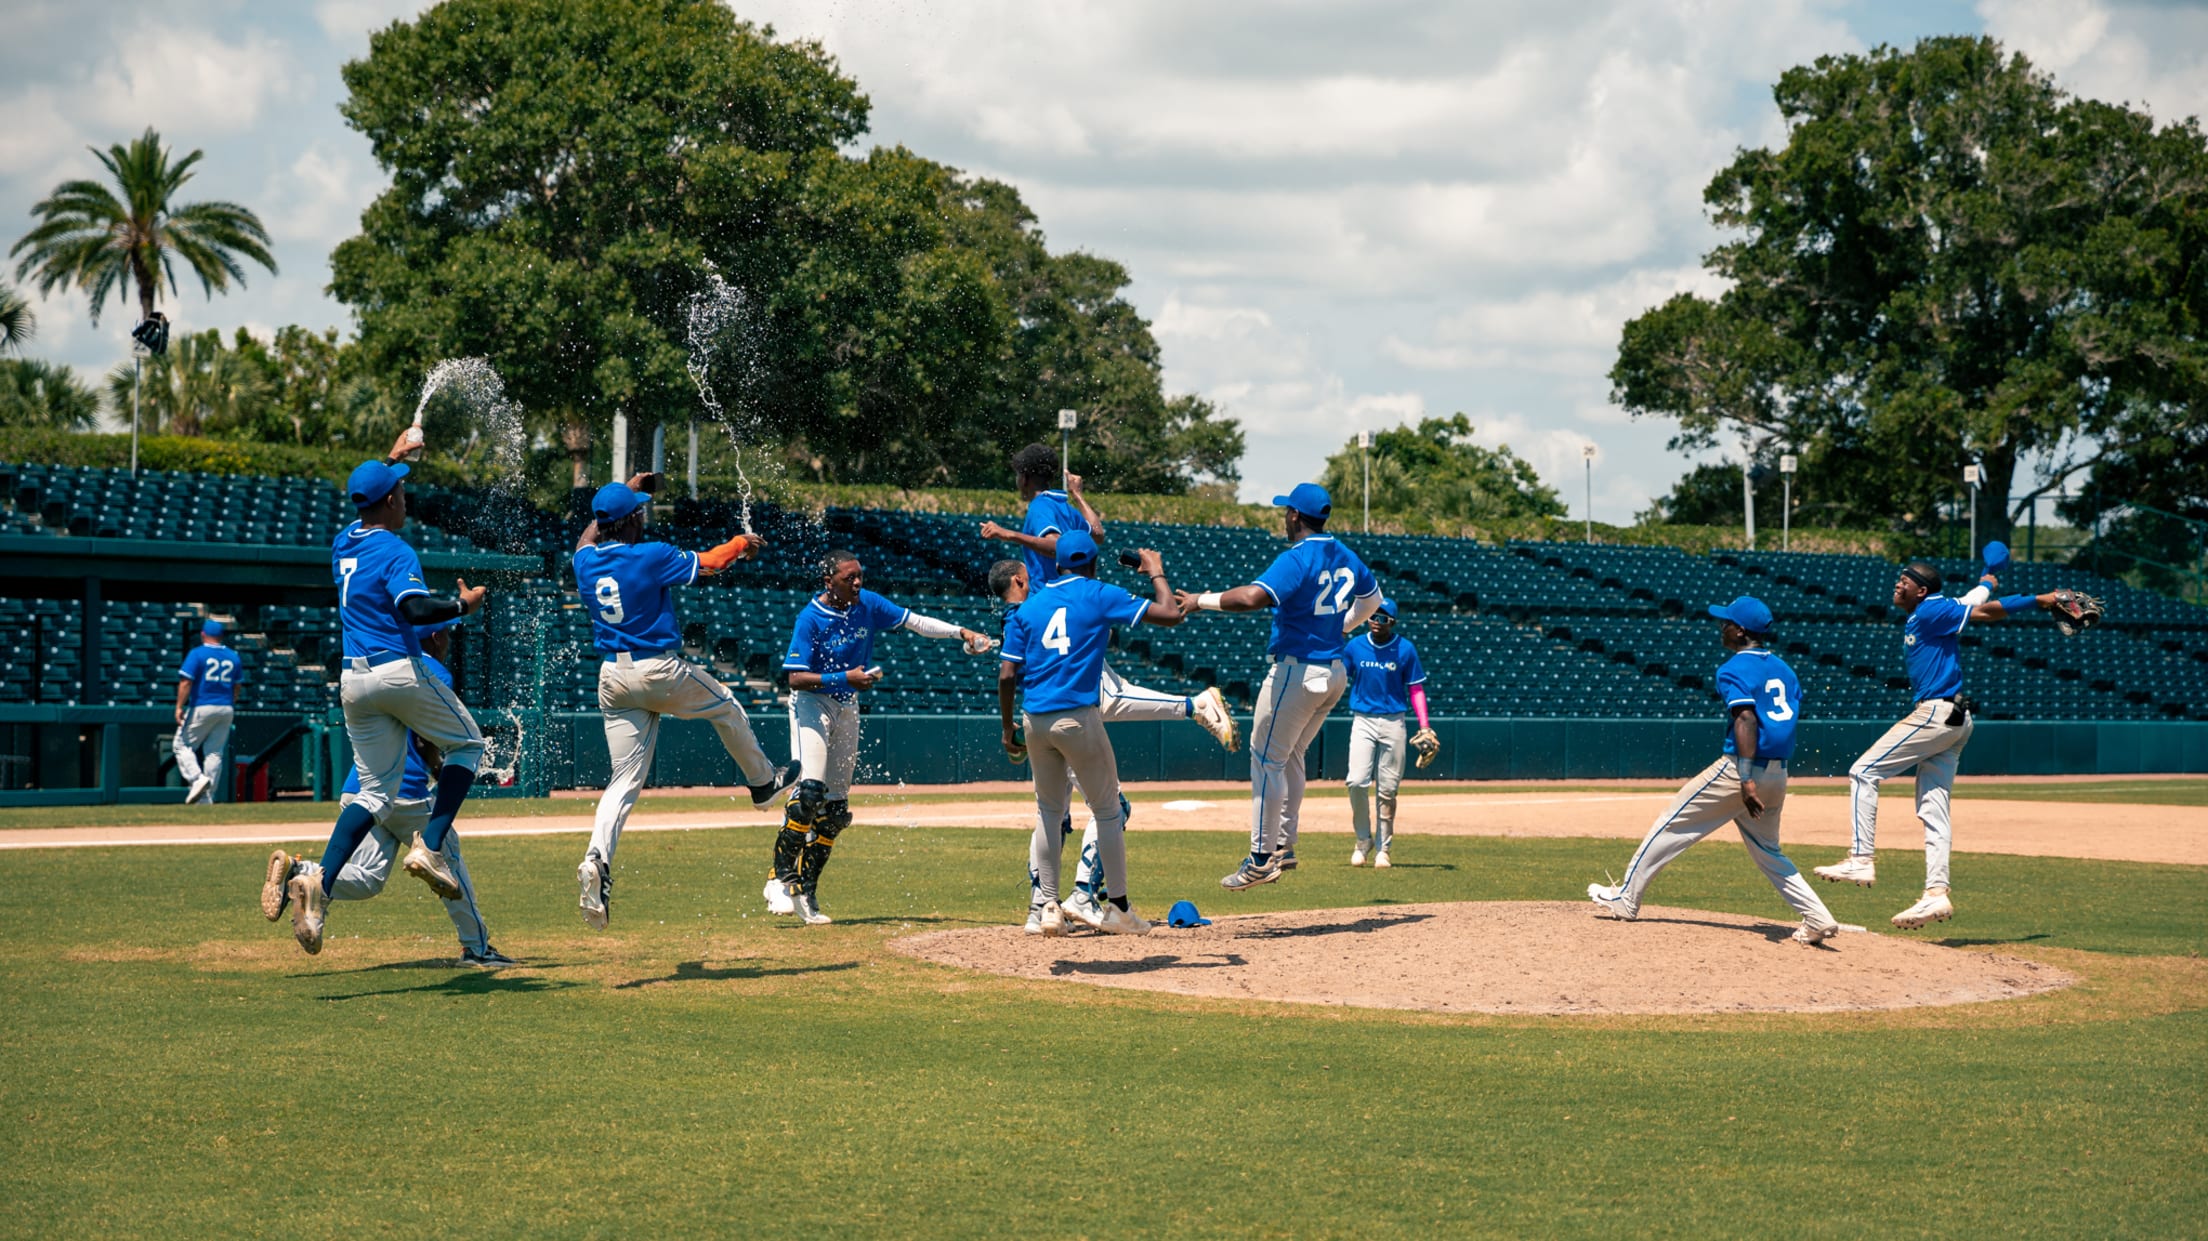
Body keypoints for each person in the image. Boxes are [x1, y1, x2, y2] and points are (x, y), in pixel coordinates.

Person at [279, 434, 491, 956]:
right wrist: (462, 606)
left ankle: (319, 883)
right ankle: (433, 848)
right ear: (391, 501)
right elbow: (417, 612)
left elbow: (367, 496)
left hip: (354, 681)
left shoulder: (343, 543)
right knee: (470, 745)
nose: (405, 499)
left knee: (372, 795)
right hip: (397, 672)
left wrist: (393, 460)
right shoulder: (396, 549)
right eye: (400, 492)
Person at [571, 475, 800, 931]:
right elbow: (712, 564)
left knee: (623, 781)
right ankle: (761, 783)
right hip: (657, 668)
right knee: (727, 705)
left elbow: (587, 535)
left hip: (612, 677)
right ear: (633, 519)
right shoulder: (649, 555)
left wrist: (626, 491)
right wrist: (740, 543)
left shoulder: (584, 562)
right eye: (639, 510)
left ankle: (597, 857)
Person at [1813, 558, 2075, 929]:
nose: (1897, 585)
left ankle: (1860, 858)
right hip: (1956, 720)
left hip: (1936, 714)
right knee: (1934, 810)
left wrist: (2042, 599)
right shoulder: (1937, 608)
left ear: (1921, 590)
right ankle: (1935, 894)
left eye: (1904, 580)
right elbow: (1975, 597)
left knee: (1863, 771)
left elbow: (1983, 610)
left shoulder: (1931, 610)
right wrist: (1988, 579)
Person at [988, 557, 1231, 932]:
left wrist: (1007, 728)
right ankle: (1106, 902)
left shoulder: (1028, 609)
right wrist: (1154, 570)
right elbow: (1166, 617)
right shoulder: (1088, 595)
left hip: (1034, 718)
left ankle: (1043, 908)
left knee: (1049, 814)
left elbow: (1007, 674)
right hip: (1076, 716)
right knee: (1110, 810)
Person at [1587, 597, 1841, 944]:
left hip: (1740, 771)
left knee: (1670, 823)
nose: (1721, 628)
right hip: (1778, 773)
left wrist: (1747, 777)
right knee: (1768, 851)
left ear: (1739, 630)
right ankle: (1818, 918)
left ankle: (1625, 900)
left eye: (1726, 623)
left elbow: (1746, 718)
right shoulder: (1785, 669)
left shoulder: (1733, 668)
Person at [259, 621, 513, 967]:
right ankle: (477, 949)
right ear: (437, 637)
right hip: (405, 792)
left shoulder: (380, 663)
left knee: (368, 879)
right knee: (448, 861)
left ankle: (300, 872)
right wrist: (440, 768)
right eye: (447, 634)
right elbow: (425, 739)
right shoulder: (431, 669)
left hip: (361, 791)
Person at [768, 550, 995, 924]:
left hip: (846, 705)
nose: (857, 583)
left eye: (860, 576)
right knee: (809, 793)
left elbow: (915, 622)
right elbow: (794, 678)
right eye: (848, 578)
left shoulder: (867, 603)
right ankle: (778, 877)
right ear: (829, 581)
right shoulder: (809, 618)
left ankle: (806, 890)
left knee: (835, 812)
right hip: (812, 703)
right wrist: (845, 678)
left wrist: (960, 632)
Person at [1173, 482, 1380, 891]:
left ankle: (1261, 858)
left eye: (1286, 511)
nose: (1284, 517)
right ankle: (1283, 845)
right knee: (1291, 755)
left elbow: (1252, 597)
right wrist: (1339, 628)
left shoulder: (1298, 557)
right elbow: (1373, 601)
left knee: (1266, 758)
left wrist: (1201, 600)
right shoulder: (1346, 554)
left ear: (1295, 516)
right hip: (1334, 671)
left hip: (1298, 672)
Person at [980, 446, 1238, 750]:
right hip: (1069, 606)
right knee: (1076, 706)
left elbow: (1057, 545)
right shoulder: (1065, 506)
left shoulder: (1040, 507)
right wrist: (1078, 495)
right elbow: (1098, 534)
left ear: (1024, 477)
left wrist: (1009, 535)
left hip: (1060, 604)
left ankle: (1196, 706)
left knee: (1102, 700)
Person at [1342, 599, 1438, 867]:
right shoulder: (1355, 647)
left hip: (1394, 721)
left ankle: (1384, 848)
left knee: (1387, 790)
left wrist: (1424, 724)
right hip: (1363, 719)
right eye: (1373, 615)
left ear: (1392, 622)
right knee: (1356, 782)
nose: (1376, 620)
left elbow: (1416, 689)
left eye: (1383, 617)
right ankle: (1363, 840)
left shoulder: (1405, 649)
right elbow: (1340, 678)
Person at [173, 619, 241, 805]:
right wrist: (229, 704)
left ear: (203, 634)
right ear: (221, 636)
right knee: (214, 753)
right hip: (226, 706)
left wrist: (179, 706)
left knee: (181, 745)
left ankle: (197, 779)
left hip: (203, 705)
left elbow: (186, 682)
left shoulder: (197, 653)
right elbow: (237, 687)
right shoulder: (233, 656)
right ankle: (206, 798)